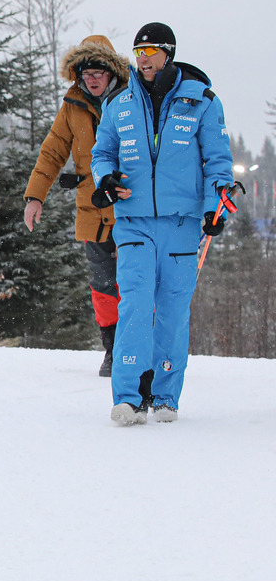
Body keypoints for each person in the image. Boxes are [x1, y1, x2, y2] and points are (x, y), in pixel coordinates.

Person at [91, 22, 233, 424]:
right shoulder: (119, 103)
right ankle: (128, 397)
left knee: (172, 308)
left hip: (182, 223)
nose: (144, 59)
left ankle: (166, 396)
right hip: (133, 221)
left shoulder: (202, 101)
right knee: (135, 304)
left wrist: (216, 209)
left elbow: (218, 162)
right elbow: (103, 153)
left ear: (168, 53)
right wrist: (105, 179)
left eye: (151, 51)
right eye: (139, 52)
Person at [23, 35, 129, 377]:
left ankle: (139, 349)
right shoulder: (72, 105)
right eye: (86, 73)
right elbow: (52, 152)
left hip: (131, 206)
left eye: (98, 72)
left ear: (112, 72)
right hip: (92, 211)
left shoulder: (133, 99)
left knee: (136, 281)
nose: (92, 79)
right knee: (103, 283)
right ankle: (112, 349)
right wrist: (35, 196)